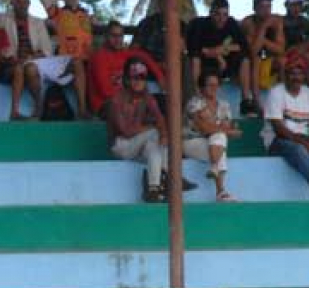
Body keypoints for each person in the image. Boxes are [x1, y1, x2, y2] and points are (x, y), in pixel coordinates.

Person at [261, 53, 309, 200]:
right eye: (292, 73)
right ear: (285, 75)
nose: (296, 77)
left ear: (304, 76)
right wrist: (302, 142)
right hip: (277, 141)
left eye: (299, 74)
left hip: (303, 139)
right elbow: (278, 128)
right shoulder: (276, 92)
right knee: (300, 150)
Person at [108, 59, 171, 203]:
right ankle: (168, 177)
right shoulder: (117, 99)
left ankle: (153, 189)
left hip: (137, 145)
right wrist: (154, 129)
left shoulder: (147, 97)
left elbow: (160, 119)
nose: (138, 82)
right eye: (134, 78)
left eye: (141, 78)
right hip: (120, 146)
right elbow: (126, 131)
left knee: (154, 149)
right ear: (127, 80)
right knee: (154, 134)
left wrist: (164, 134)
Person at [187, 0, 255, 117]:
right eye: (218, 14)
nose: (221, 18)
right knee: (195, 58)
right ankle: (198, 97)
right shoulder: (200, 24)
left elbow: (243, 46)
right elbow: (195, 49)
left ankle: (245, 101)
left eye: (225, 15)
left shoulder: (231, 23)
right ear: (211, 13)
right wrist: (215, 54)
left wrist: (222, 49)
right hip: (206, 64)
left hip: (226, 64)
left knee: (244, 59)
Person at [88, 20, 165, 118]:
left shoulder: (125, 53)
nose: (118, 40)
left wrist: (160, 77)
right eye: (114, 36)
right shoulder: (99, 57)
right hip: (105, 105)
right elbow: (106, 91)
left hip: (125, 101)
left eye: (120, 36)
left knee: (160, 102)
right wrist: (133, 99)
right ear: (106, 36)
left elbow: (145, 57)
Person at [184, 71, 242, 201]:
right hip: (191, 141)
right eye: (209, 85)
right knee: (220, 139)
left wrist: (222, 129)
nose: (213, 89)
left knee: (219, 138)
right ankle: (220, 191)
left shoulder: (224, 105)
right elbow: (203, 129)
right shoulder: (194, 103)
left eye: (216, 85)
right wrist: (227, 131)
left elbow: (224, 127)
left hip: (212, 144)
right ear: (201, 87)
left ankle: (216, 172)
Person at [2, 0, 54, 120]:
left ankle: (38, 107)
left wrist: (31, 58)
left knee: (30, 68)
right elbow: (1, 45)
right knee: (21, 68)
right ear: (12, 3)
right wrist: (12, 58)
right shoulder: (3, 20)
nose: (22, 5)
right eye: (18, 2)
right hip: (12, 63)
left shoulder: (37, 22)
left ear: (29, 4)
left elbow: (47, 50)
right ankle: (16, 112)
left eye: (25, 2)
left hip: (33, 62)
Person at [44, 0, 93, 119]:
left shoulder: (86, 14)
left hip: (87, 58)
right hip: (67, 60)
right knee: (78, 64)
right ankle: (82, 110)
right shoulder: (57, 12)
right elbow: (46, 3)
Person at [241, 0, 284, 112]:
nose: (266, 11)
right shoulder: (248, 22)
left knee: (282, 61)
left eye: (269, 7)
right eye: (262, 7)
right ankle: (256, 102)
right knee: (256, 59)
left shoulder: (277, 21)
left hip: (269, 62)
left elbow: (280, 49)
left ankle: (285, 101)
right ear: (254, 8)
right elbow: (253, 51)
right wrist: (264, 27)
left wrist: (262, 40)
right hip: (250, 64)